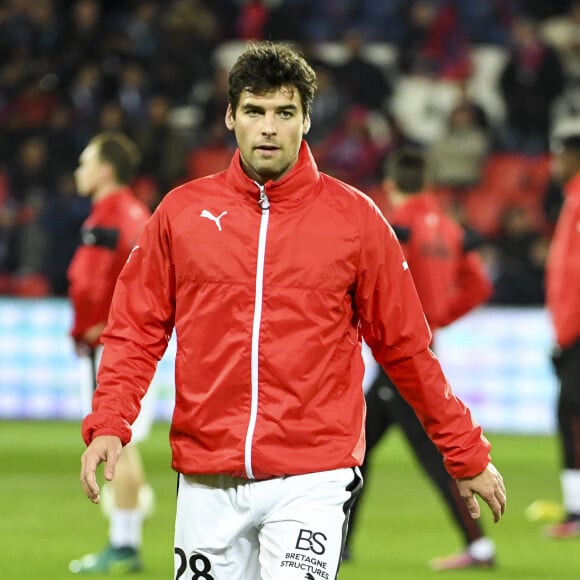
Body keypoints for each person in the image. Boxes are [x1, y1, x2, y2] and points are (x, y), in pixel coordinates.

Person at [77, 42, 506, 580]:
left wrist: (465, 451)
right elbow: (135, 330)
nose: (268, 128)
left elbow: (405, 347)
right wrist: (110, 422)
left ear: (306, 119)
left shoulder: (354, 220)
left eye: (284, 113)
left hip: (314, 476)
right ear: (231, 115)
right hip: (210, 477)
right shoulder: (180, 214)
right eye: (255, 111)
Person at [344, 146, 497, 570]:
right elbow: (479, 286)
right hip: (424, 350)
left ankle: (480, 547)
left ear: (391, 186)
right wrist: (441, 316)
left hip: (402, 360)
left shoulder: (396, 227)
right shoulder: (449, 229)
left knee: (421, 456)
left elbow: (380, 286)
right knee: (355, 450)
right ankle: (341, 544)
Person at [67, 132, 154, 573]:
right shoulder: (138, 212)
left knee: (117, 441)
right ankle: (127, 535)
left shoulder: (109, 215)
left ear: (105, 169)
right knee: (128, 444)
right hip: (141, 339)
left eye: (85, 162)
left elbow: (90, 282)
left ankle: (125, 541)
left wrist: (88, 327)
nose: (79, 171)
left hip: (120, 344)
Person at [543, 129, 580, 538]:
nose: (555, 165)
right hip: (571, 331)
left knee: (571, 415)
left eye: (561, 157)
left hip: (577, 334)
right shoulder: (572, 199)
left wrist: (566, 334)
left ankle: (577, 512)